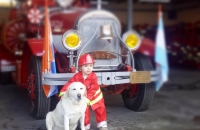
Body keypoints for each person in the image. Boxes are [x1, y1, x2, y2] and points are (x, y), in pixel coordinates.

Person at [59, 53, 108, 130]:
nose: (89, 68)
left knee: (100, 108)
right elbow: (70, 83)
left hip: (96, 96)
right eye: (86, 66)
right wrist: (63, 91)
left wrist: (89, 98)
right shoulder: (77, 76)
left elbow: (93, 88)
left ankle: (102, 124)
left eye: (91, 66)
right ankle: (85, 126)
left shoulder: (93, 76)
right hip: (84, 96)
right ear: (80, 67)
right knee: (84, 110)